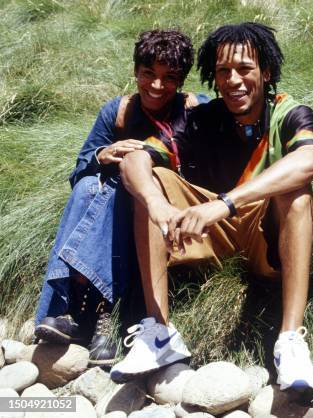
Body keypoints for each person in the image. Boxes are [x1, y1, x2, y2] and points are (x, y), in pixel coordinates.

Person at [111, 22, 313, 391]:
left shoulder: (288, 113)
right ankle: (159, 332)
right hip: (207, 235)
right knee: (150, 183)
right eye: (223, 71)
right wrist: (158, 206)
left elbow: (310, 160)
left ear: (266, 71)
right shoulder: (198, 117)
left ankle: (290, 341)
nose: (233, 80)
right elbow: (133, 161)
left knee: (297, 191)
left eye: (244, 69)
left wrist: (225, 204)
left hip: (264, 235)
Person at [34, 29, 206, 367]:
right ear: (135, 72)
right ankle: (100, 316)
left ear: (181, 80)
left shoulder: (195, 109)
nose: (157, 86)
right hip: (118, 214)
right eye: (148, 75)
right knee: (89, 187)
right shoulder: (118, 111)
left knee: (117, 187)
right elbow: (79, 172)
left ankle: (74, 308)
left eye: (169, 78)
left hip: (169, 212)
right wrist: (103, 154)